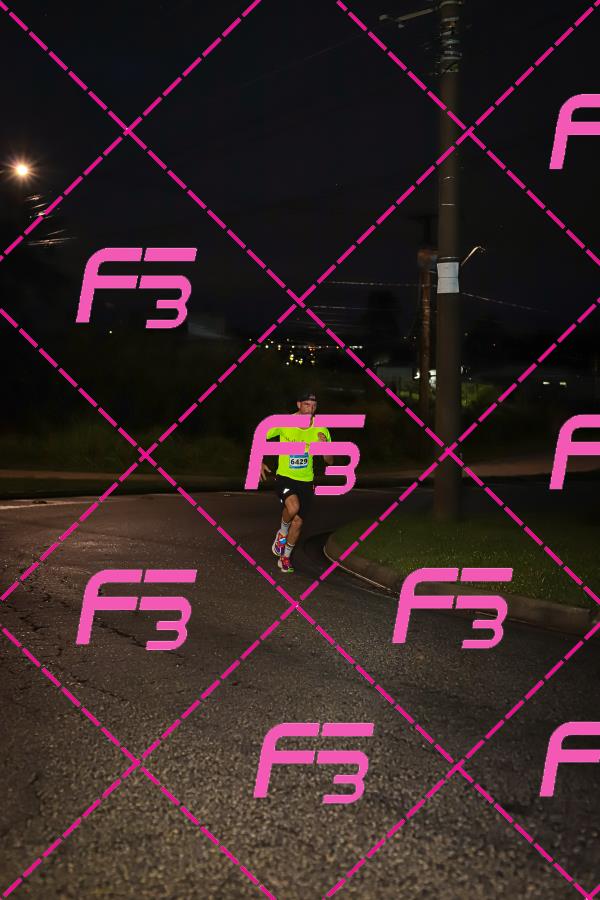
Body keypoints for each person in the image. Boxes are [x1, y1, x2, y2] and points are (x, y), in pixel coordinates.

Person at [260, 390, 333, 574]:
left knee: (299, 522)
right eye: (307, 405)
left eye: (314, 406)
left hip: (306, 481)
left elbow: (329, 461)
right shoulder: (284, 422)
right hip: (285, 477)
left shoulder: (321, 429)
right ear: (299, 405)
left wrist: (325, 447)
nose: (311, 409)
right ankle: (282, 533)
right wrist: (259, 461)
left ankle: (285, 557)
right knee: (293, 508)